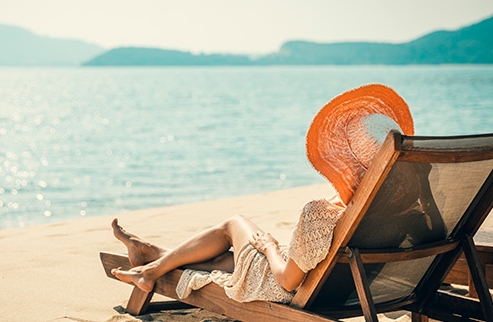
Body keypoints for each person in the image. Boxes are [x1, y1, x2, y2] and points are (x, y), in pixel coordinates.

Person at [110, 84, 415, 303]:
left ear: (344, 158)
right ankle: (151, 255)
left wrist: (269, 247)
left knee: (234, 224)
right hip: (349, 289)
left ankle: (149, 270)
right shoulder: (402, 210)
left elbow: (286, 280)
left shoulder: (321, 214)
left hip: (283, 284)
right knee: (225, 261)